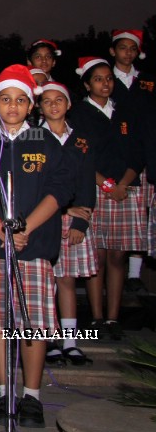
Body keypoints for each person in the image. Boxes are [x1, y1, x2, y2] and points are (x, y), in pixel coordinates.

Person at [0, 65, 72, 429]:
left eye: (20, 100)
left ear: (31, 106)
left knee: (31, 324)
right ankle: (4, 393)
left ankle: (32, 396)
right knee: (1, 324)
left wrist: (24, 227)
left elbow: (58, 191)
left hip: (32, 244)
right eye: (5, 99)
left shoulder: (46, 143)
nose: (12, 106)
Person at [66, 57, 145, 341]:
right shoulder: (79, 113)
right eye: (98, 79)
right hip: (97, 186)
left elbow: (138, 150)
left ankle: (114, 317)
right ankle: (97, 318)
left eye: (108, 78)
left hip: (126, 188)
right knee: (96, 256)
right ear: (87, 84)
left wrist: (122, 183)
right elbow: (81, 154)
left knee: (118, 255)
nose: (105, 83)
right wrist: (108, 185)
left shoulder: (125, 110)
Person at [37, 82, 97, 368]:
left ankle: (70, 342)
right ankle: (47, 340)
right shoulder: (33, 137)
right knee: (44, 282)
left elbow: (86, 183)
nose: (53, 105)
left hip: (72, 221)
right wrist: (61, 208)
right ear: (39, 106)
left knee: (67, 281)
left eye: (59, 99)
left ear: (69, 104)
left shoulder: (81, 140)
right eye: (46, 101)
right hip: (42, 218)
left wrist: (79, 221)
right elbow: (34, 185)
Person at [108, 29, 155, 293]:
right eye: (123, 48)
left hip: (146, 149)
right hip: (119, 151)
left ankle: (135, 273)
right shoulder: (105, 79)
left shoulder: (147, 81)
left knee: (145, 210)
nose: (128, 52)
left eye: (132, 48)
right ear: (113, 51)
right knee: (124, 214)